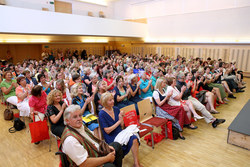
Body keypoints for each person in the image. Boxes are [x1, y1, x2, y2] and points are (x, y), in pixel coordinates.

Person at [99, 92, 142, 167]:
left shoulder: (116, 109)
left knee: (134, 138)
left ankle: (136, 163)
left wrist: (121, 117)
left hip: (120, 132)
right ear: (105, 102)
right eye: (110, 100)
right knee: (124, 142)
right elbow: (107, 131)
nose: (113, 101)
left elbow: (122, 126)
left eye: (112, 99)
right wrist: (119, 121)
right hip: (111, 137)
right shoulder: (101, 113)